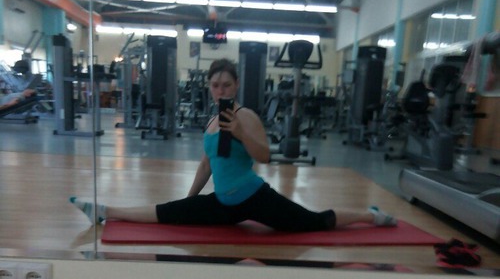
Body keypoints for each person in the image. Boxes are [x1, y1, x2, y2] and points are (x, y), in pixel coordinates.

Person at [70, 58, 397, 231]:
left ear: (236, 85)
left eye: (226, 85)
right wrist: (189, 200)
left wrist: (241, 132)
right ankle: (104, 211)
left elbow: (264, 156)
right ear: (209, 87)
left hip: (254, 197)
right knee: (169, 212)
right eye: (215, 85)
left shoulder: (245, 116)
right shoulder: (212, 122)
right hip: (224, 203)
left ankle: (371, 216)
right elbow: (206, 165)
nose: (220, 90)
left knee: (314, 223)